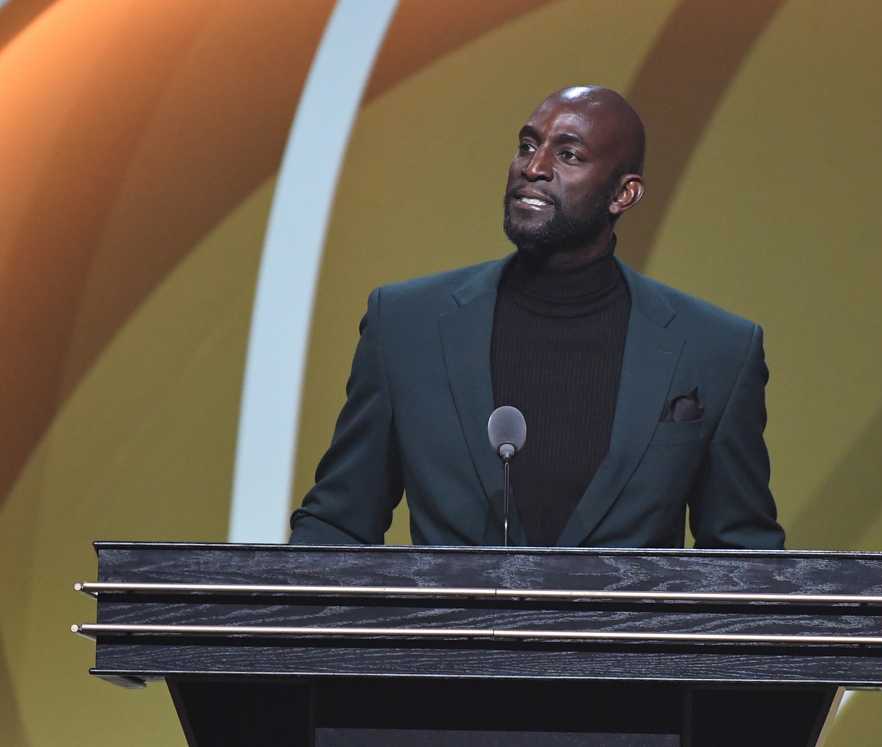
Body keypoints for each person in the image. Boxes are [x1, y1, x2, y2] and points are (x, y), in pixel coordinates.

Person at [289, 86, 784, 549]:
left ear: (624, 194)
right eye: (528, 146)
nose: (534, 167)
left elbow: (744, 558)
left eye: (568, 155)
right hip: (451, 640)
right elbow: (338, 525)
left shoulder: (715, 350)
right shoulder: (404, 327)